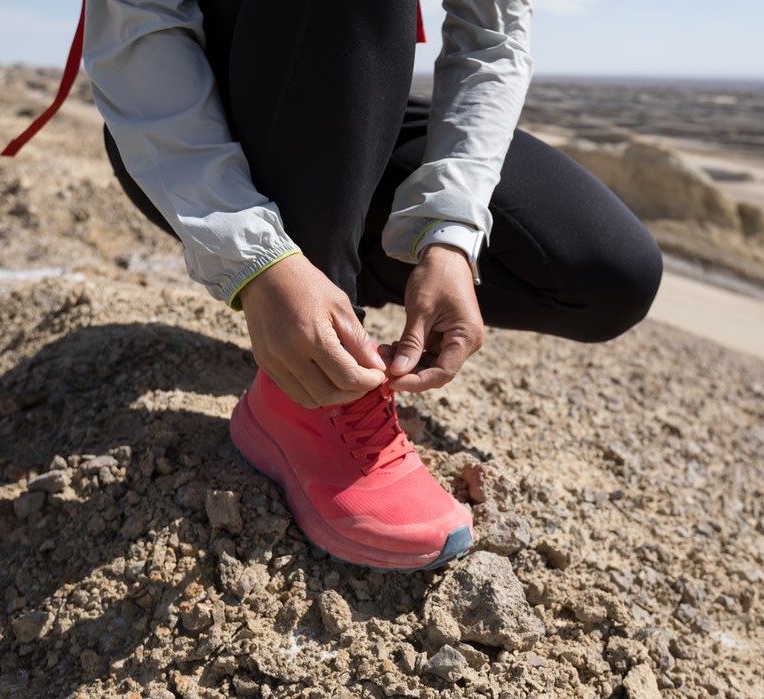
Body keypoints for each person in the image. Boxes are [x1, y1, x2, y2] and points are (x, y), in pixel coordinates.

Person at [83, 0, 662, 571]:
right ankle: (306, 397)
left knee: (608, 277)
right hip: (184, 133)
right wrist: (255, 259)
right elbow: (140, 31)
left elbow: (491, 37)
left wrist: (452, 234)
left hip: (344, 103)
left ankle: (328, 296)